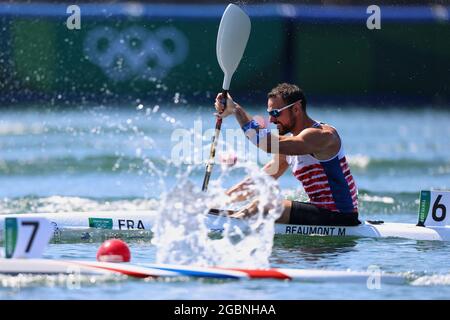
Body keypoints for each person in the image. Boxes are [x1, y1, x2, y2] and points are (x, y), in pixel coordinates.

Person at [214, 83, 360, 226]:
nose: (271, 120)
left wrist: (235, 110)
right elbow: (262, 179)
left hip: (341, 216)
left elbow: (267, 143)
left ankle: (224, 227)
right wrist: (221, 199)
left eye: (275, 113)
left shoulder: (322, 136)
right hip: (320, 212)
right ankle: (228, 221)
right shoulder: (292, 143)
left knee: (265, 204)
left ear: (296, 108)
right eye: (270, 113)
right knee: (252, 207)